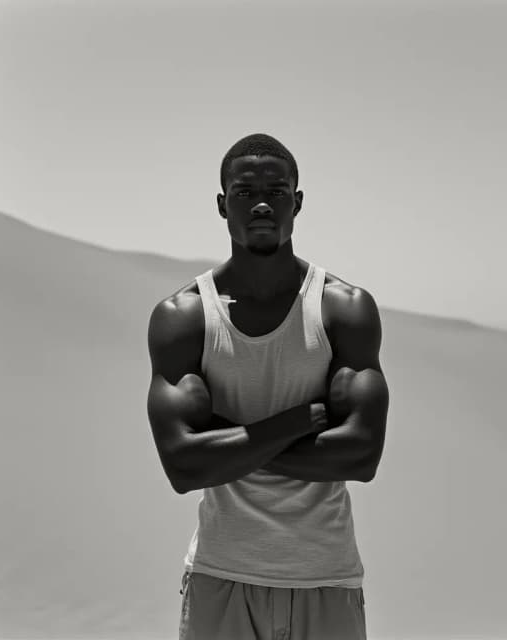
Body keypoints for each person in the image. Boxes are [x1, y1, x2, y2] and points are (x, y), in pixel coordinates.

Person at [146, 133, 390, 640]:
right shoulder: (185, 317)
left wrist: (229, 441)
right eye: (244, 191)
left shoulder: (342, 309)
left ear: (297, 202)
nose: (261, 203)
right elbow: (183, 467)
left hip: (327, 579)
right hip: (221, 578)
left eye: (277, 192)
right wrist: (299, 422)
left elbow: (361, 456)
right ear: (222, 204)